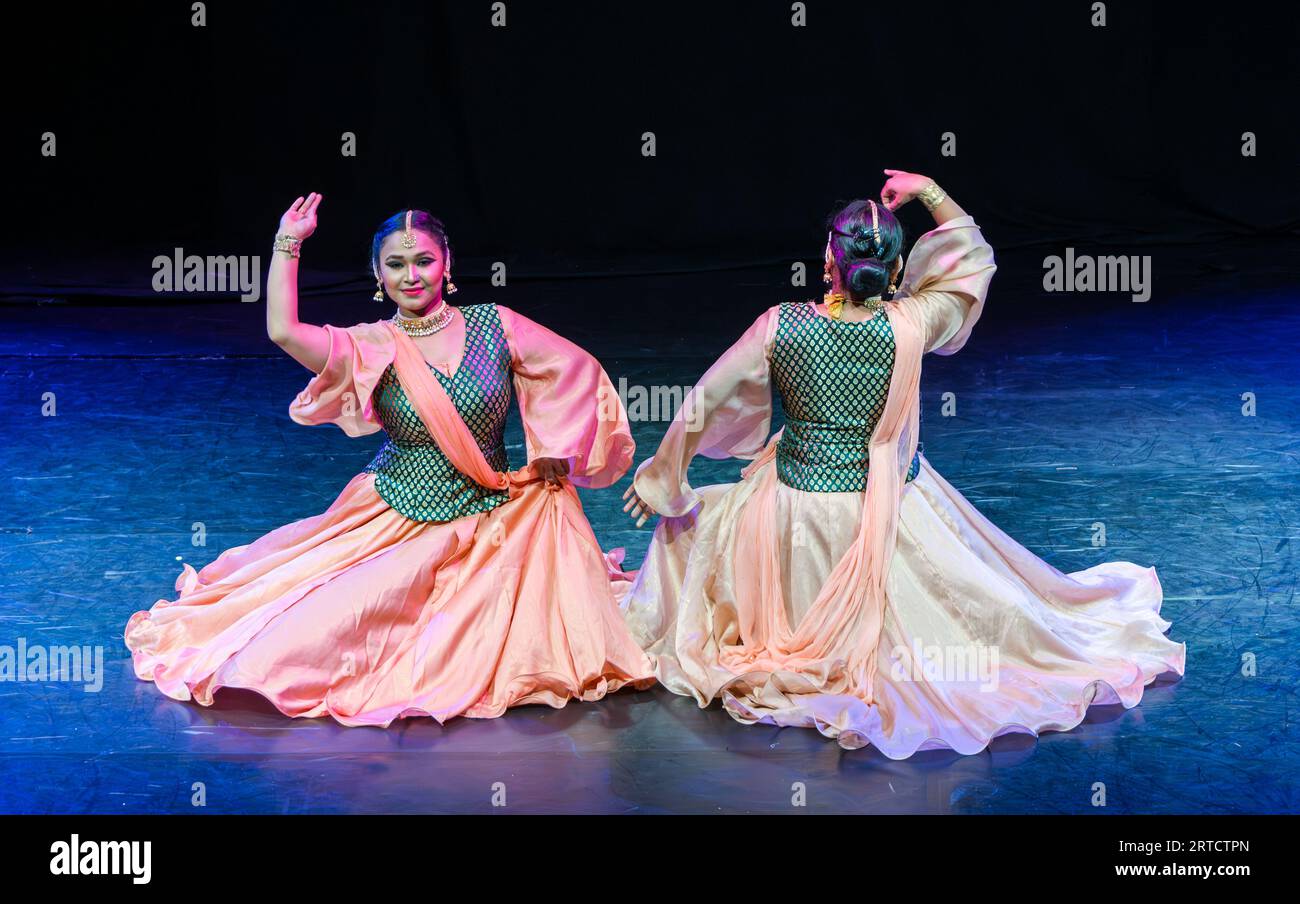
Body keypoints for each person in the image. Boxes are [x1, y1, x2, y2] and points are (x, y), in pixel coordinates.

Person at [620, 170, 1186, 759]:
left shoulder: (780, 325)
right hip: (892, 510)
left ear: (826, 261)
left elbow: (705, 400)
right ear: (896, 272)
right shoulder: (914, 323)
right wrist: (931, 192)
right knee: (990, 621)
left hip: (793, 517)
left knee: (691, 529)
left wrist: (667, 478)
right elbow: (973, 259)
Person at [125, 195, 655, 725]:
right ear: (377, 274)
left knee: (518, 601)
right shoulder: (371, 345)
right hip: (397, 514)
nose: (411, 276)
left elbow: (576, 372)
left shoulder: (497, 325)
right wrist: (288, 242)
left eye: (423, 261)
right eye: (395, 265)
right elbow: (283, 332)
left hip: (492, 509)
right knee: (309, 639)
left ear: (447, 264)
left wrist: (553, 452)